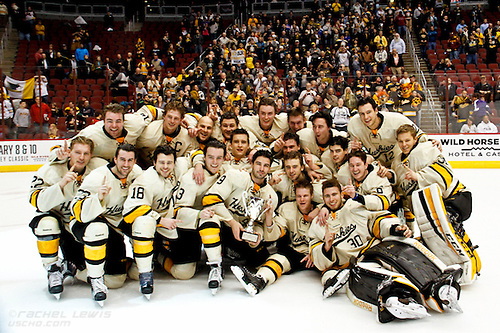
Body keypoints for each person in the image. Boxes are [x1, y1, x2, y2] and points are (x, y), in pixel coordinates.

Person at [308, 179, 463, 322]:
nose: (331, 199)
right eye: (327, 196)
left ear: (341, 194)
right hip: (353, 264)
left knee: (403, 255)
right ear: (323, 197)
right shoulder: (317, 224)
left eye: (334, 194)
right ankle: (395, 299)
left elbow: (377, 220)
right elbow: (319, 260)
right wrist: (326, 246)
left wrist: (395, 228)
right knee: (369, 277)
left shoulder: (355, 206)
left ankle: (439, 285)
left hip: (374, 250)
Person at [70, 144, 143, 304]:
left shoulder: (137, 173)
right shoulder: (98, 177)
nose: (126, 164)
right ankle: (82, 273)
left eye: (130, 160)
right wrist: (98, 199)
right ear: (115, 159)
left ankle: (132, 263)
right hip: (86, 222)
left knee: (117, 280)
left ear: (135, 161)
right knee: (98, 229)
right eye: (122, 159)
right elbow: (76, 210)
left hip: (114, 225)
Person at [199, 149, 278, 294]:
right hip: (224, 228)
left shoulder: (271, 195)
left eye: (266, 165)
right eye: (258, 164)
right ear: (252, 164)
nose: (261, 168)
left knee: (260, 259)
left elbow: (259, 224)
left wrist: (258, 235)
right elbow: (209, 199)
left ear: (270, 168)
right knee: (208, 218)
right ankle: (215, 267)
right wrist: (232, 222)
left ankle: (234, 256)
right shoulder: (234, 176)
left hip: (243, 233)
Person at [29, 136, 95, 299]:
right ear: (69, 153)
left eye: (86, 153)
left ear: (91, 155)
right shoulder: (50, 170)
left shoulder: (96, 171)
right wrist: (61, 185)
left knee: (90, 274)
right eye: (77, 152)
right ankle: (52, 270)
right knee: (47, 224)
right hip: (56, 220)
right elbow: (37, 202)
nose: (81, 157)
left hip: (76, 226)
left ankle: (69, 265)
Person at [153, 140, 227, 285]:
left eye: (219, 158)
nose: (214, 162)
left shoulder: (225, 171)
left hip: (208, 223)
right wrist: (199, 214)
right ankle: (158, 255)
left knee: (214, 218)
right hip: (187, 227)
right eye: (210, 157)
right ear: (204, 158)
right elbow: (177, 212)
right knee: (183, 273)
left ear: (224, 159)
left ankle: (215, 265)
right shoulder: (191, 178)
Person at [122, 145, 189, 298]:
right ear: (154, 162)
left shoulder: (177, 168)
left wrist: (198, 164)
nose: (165, 167)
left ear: (174, 163)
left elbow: (194, 155)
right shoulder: (146, 180)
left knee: (185, 268)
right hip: (141, 224)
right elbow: (131, 211)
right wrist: (159, 220)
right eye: (161, 163)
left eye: (169, 163)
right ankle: (145, 275)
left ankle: (156, 255)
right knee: (144, 223)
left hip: (166, 223)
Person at [231, 181, 316, 295]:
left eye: (305, 196)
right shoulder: (287, 209)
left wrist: (314, 252)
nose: (302, 199)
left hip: (315, 253)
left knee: (328, 257)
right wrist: (269, 217)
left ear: (312, 196)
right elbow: (275, 234)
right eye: (299, 196)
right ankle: (259, 280)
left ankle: (331, 279)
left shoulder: (321, 211)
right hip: (295, 251)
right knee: (279, 258)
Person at [347, 97, 428, 167]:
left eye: (369, 112)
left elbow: (419, 134)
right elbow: (350, 148)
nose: (366, 117)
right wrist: (353, 149)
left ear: (376, 110)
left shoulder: (397, 119)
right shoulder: (354, 124)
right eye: (362, 114)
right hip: (375, 165)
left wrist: (431, 142)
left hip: (401, 162)